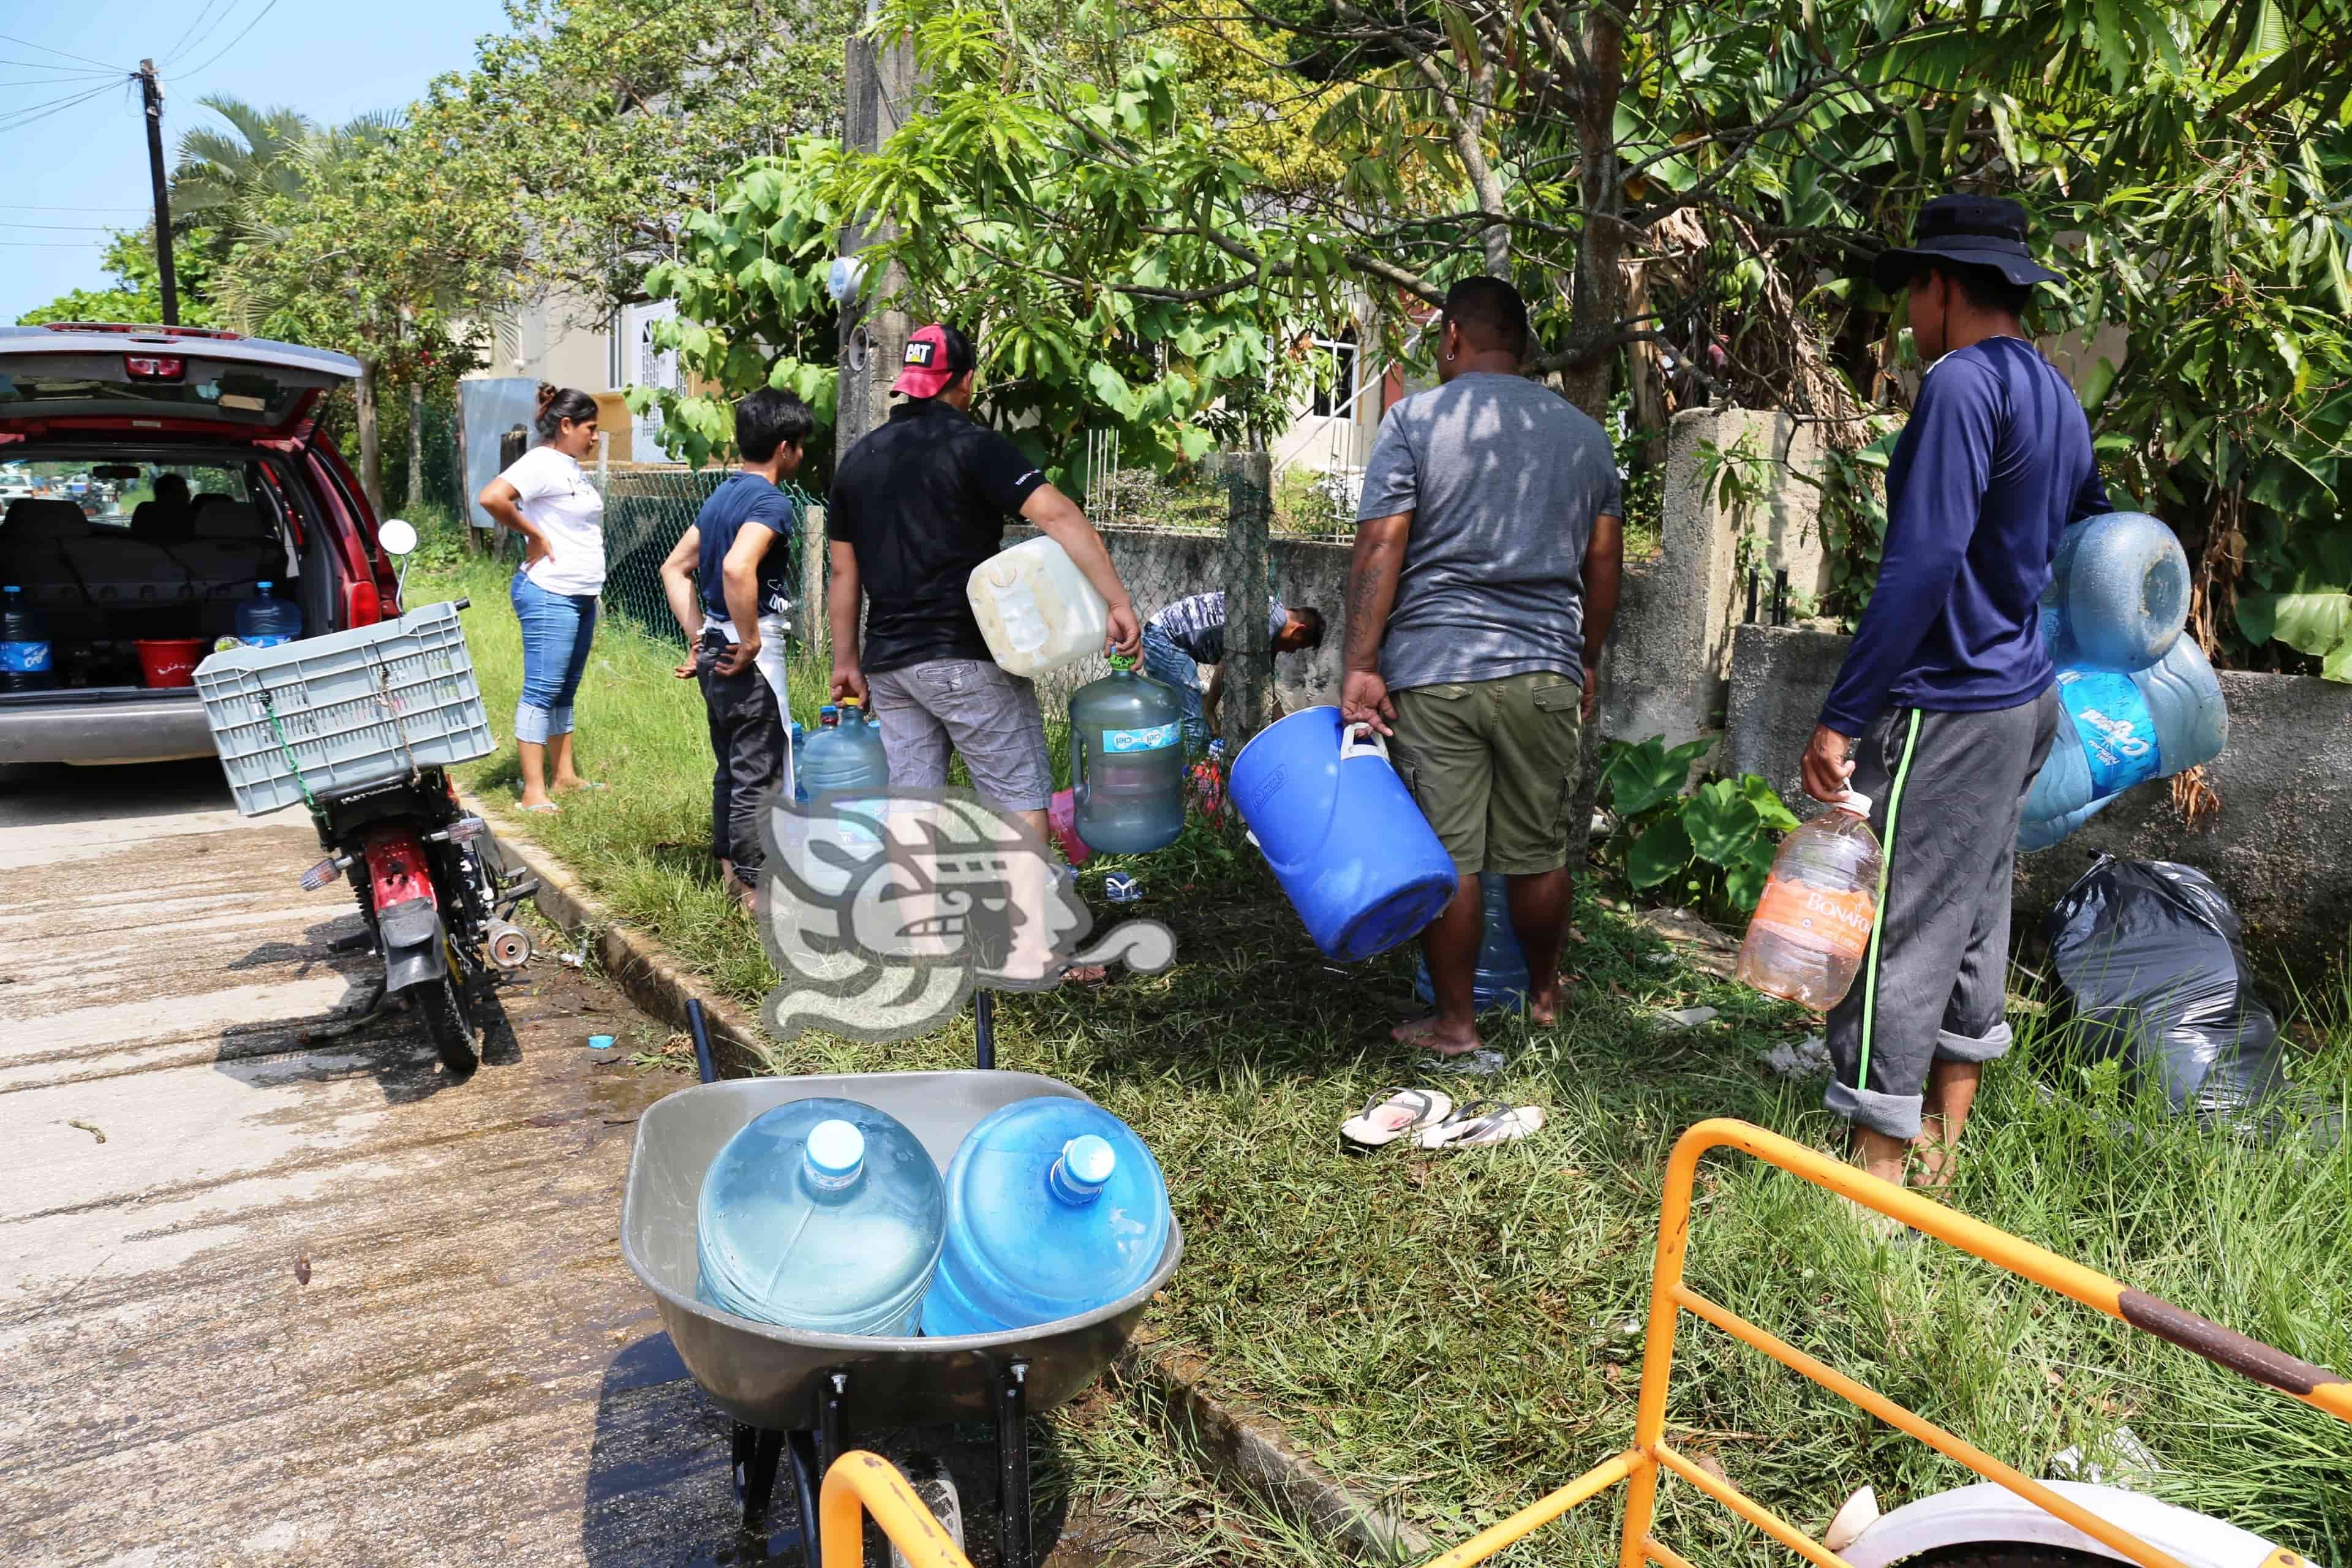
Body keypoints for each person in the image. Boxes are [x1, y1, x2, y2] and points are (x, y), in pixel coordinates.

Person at [1801, 194, 2109, 1194]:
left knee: (1898, 923)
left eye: (1911, 294)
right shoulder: (2054, 394)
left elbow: (1921, 563)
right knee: (1976, 914)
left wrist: (1845, 713)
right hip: (2025, 695)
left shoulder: (1961, 385)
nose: (1906, 317)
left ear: (1940, 286)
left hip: (1953, 697)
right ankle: (1944, 1147)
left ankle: (1876, 1181)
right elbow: (2088, 533)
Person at [1340, 276, 1624, 1058]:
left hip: (1438, 668)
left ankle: (1457, 1023)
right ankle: (1542, 996)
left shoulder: (1416, 418)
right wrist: (1587, 656)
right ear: (1525, 346)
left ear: (1456, 335)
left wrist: (1360, 663)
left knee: (1451, 855)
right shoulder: (1584, 437)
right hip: (1544, 671)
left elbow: (1382, 543)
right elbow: (1605, 565)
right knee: (1539, 852)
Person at [827, 323, 1142, 982]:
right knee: (1018, 794)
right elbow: (1057, 515)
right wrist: (1116, 601)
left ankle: (919, 944)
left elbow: (843, 575)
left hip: (891, 663)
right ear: (966, 381)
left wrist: (844, 659)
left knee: (914, 799)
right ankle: (1031, 950)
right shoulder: (975, 446)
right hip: (968, 656)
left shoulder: (858, 460)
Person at [657, 388, 815, 911]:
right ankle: (755, 888)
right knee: (759, 771)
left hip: (713, 649)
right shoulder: (770, 501)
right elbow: (736, 567)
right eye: (801, 448)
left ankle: (730, 871)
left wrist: (700, 635)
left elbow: (674, 568)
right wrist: (748, 638)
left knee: (732, 765)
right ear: (786, 447)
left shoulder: (722, 495)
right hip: (751, 655)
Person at [478, 384, 605, 813]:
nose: (595, 437)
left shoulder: (569, 467)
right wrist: (532, 535)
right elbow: (492, 497)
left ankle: (565, 777)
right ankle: (534, 792)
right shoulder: (541, 463)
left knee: (565, 691)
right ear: (566, 425)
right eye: (590, 428)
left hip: (579, 593)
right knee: (542, 690)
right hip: (551, 593)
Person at [1141, 592, 1325, 753]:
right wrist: (1209, 710)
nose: (1292, 652)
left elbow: (1266, 686)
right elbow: (1227, 667)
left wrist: (1286, 729)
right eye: (1299, 646)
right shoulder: (1265, 625)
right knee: (1194, 731)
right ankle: (1186, 782)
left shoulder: (1269, 616)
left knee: (1181, 721)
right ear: (1298, 630)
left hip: (1166, 632)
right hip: (1165, 638)